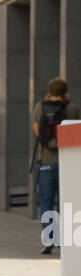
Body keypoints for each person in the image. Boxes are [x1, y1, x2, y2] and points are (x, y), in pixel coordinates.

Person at [33, 77, 79, 254]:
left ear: (49, 91)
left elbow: (37, 131)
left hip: (46, 161)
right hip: (66, 162)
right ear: (65, 92)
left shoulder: (40, 107)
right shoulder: (71, 107)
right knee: (65, 202)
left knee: (46, 201)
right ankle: (66, 241)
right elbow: (74, 132)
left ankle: (50, 237)